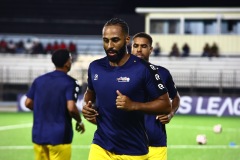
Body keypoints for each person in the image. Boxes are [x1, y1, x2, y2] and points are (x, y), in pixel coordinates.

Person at [82, 18, 171, 160]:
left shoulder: (144, 69)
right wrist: (87, 107)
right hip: (101, 145)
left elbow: (166, 105)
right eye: (106, 40)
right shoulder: (95, 67)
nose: (109, 45)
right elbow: (89, 94)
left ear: (127, 40)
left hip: (133, 150)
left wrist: (134, 105)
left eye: (115, 40)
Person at [25, 49, 85, 160]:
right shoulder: (70, 82)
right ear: (67, 63)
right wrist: (79, 121)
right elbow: (71, 108)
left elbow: (28, 103)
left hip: (39, 136)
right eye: (70, 60)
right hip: (59, 138)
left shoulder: (39, 80)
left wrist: (44, 109)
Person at [131, 32, 180, 160]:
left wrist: (170, 114)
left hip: (157, 144)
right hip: (129, 144)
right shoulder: (119, 74)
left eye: (144, 46)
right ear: (131, 47)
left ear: (151, 49)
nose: (139, 50)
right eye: (135, 46)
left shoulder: (163, 73)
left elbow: (176, 98)